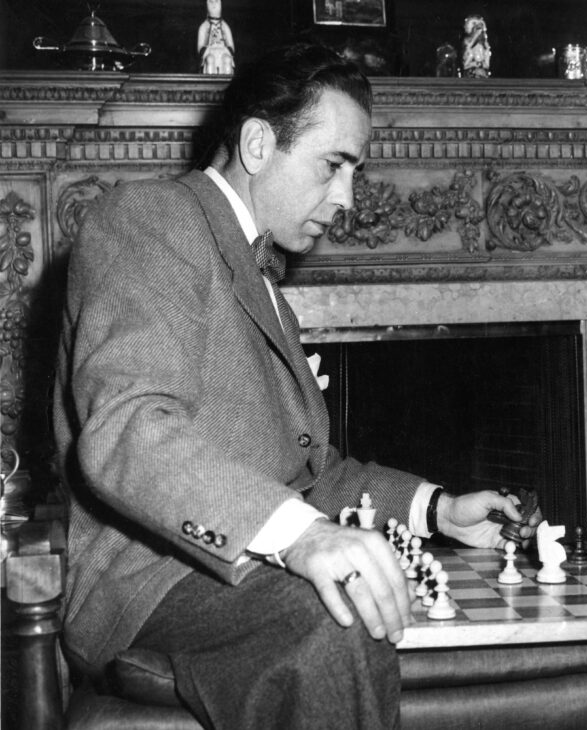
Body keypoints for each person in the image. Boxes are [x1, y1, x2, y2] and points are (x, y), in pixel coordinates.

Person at [52, 42, 540, 729]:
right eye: (333, 165)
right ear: (258, 144)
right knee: (337, 616)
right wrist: (303, 538)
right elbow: (127, 429)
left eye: (355, 172)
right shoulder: (148, 218)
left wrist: (437, 509)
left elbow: (310, 476)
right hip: (147, 582)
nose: (346, 199)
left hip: (238, 569)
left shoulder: (270, 296)